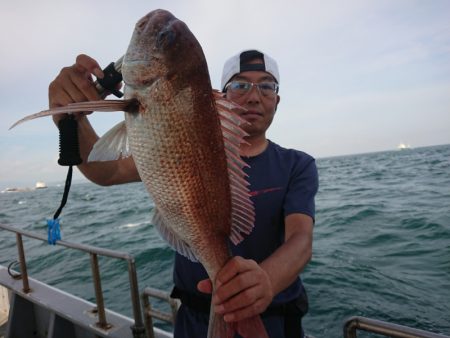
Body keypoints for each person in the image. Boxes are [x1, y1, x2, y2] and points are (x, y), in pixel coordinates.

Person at [49, 49, 318, 338]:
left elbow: (301, 239)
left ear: (276, 100)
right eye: (240, 85)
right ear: (222, 96)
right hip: (194, 322)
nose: (254, 96)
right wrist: (70, 117)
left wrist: (265, 280)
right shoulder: (180, 146)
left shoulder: (297, 164)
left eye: (266, 86)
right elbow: (105, 171)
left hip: (275, 321)